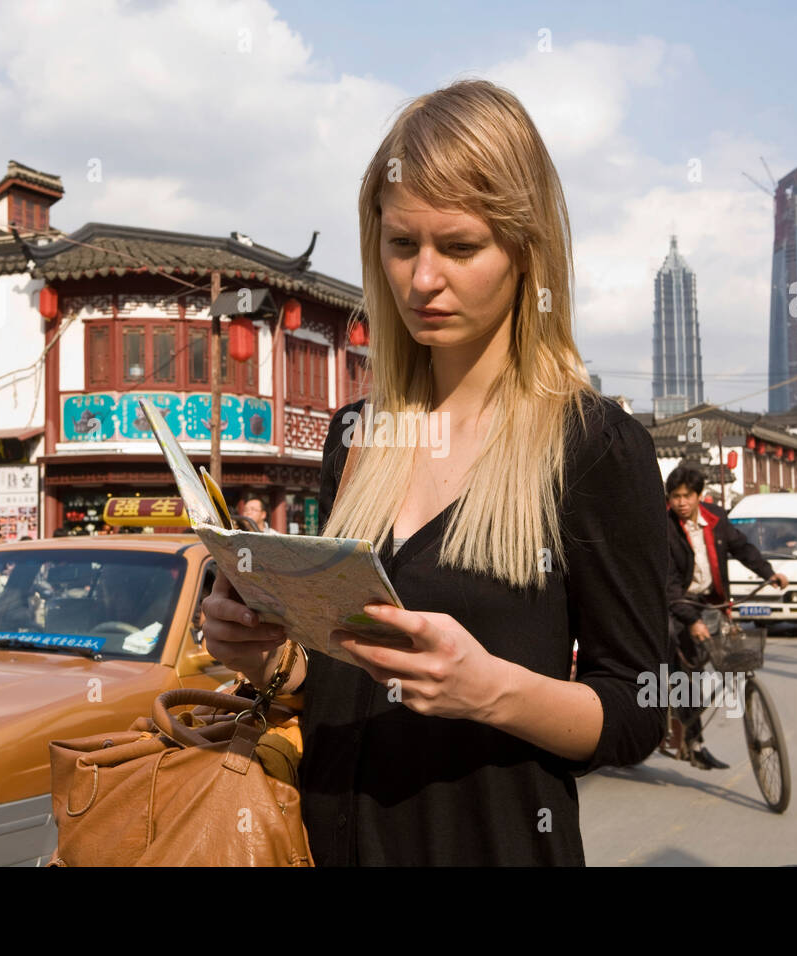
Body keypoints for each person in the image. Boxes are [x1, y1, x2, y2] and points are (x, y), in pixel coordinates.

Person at [200, 80, 670, 866]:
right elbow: (339, 679)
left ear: (526, 254)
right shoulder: (356, 434)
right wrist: (264, 654)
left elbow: (635, 712)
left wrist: (492, 690)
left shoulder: (594, 447)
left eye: (458, 247)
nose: (422, 279)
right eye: (400, 244)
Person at [664, 465, 788, 770]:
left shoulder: (716, 519)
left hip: (713, 602)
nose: (681, 503)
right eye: (675, 497)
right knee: (688, 675)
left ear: (698, 496)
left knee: (732, 660)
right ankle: (694, 743)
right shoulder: (664, 528)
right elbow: (667, 583)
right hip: (678, 604)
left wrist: (769, 573)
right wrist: (691, 621)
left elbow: (742, 548)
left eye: (686, 496)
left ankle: (694, 708)